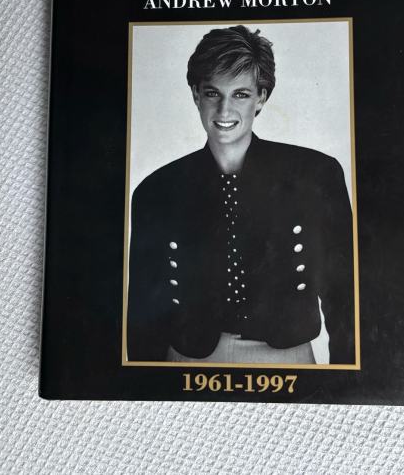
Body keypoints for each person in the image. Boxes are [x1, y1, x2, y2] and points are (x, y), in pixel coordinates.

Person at [127, 25, 354, 364]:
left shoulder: (315, 174)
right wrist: (144, 385)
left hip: (287, 359)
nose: (224, 111)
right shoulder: (157, 189)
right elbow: (144, 310)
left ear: (261, 97)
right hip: (188, 361)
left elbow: (344, 292)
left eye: (241, 94)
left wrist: (346, 379)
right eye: (212, 93)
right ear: (196, 94)